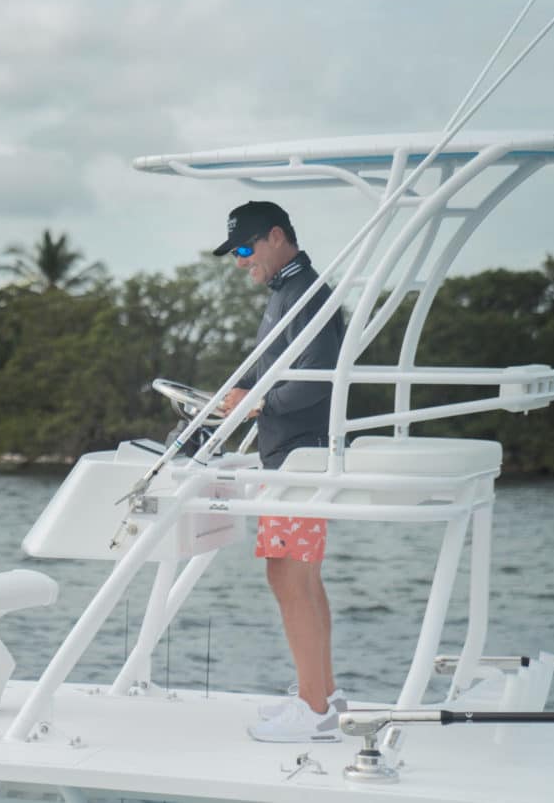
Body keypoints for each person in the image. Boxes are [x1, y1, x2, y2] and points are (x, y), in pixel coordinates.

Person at [213, 200, 346, 744]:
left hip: (299, 454)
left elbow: (317, 381)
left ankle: (313, 711)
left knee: (288, 575)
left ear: (275, 237)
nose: (241, 262)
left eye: (245, 249)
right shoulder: (288, 292)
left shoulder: (304, 291)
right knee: (301, 577)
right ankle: (322, 696)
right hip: (292, 453)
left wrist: (257, 405)